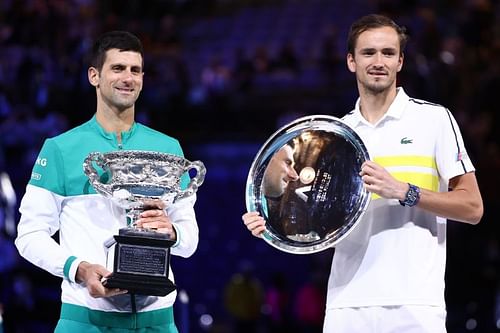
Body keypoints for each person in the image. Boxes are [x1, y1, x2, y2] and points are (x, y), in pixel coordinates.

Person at [242, 14, 483, 333]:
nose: (378, 61)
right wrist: (273, 223)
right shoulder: (335, 136)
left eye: (388, 53)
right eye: (368, 53)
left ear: (400, 61)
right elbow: (319, 230)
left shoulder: (434, 120)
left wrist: (404, 191)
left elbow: (472, 208)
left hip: (415, 306)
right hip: (347, 306)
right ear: (351, 61)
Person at [14, 31, 199, 332]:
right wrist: (79, 269)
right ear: (94, 76)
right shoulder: (60, 149)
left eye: (135, 70)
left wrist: (173, 233)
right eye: (117, 68)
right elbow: (29, 235)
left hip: (158, 321)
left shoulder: (169, 150)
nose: (128, 77)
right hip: (85, 320)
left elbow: (189, 242)